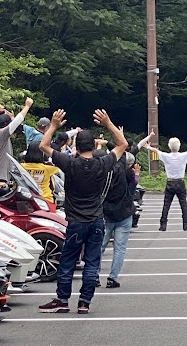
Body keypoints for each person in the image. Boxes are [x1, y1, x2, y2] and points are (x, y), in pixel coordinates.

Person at [37, 108, 128, 315]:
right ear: (93, 146)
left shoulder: (69, 163)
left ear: (76, 146)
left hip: (76, 221)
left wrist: (54, 125)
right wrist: (108, 123)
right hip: (96, 220)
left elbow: (43, 146)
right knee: (92, 262)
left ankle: (62, 299)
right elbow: (123, 144)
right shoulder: (102, 163)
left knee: (68, 260)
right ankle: (85, 302)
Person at [101, 132, 152, 289]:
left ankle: (93, 275)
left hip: (107, 214)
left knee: (100, 246)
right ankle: (112, 277)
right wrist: (136, 176)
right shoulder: (128, 175)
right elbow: (131, 192)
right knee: (119, 248)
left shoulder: (106, 172)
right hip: (123, 214)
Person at [149, 136, 187, 232]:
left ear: (169, 146)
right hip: (180, 182)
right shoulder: (183, 156)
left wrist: (147, 146)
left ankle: (163, 225)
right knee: (183, 204)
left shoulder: (166, 156)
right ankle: (186, 225)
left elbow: (156, 151)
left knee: (166, 204)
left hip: (170, 182)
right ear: (179, 146)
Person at [0, 98, 34, 180]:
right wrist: (27, 106)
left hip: (0, 178)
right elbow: (16, 122)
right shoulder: (1, 135)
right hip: (0, 180)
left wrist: (11, 118)